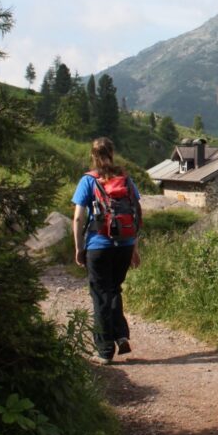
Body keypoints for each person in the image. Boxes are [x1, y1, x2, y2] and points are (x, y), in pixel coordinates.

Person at [72, 137, 142, 364]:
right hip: (124, 244)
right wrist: (133, 247)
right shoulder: (127, 181)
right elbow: (136, 214)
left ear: (93, 155)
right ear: (113, 153)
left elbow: (78, 217)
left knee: (101, 294)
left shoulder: (89, 181)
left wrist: (79, 248)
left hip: (98, 245)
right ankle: (120, 335)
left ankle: (104, 351)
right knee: (114, 289)